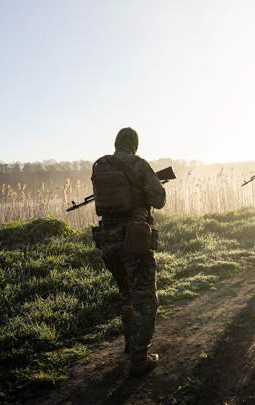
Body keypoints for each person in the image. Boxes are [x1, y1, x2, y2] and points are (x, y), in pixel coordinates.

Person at [90, 127, 166, 376]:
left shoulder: (99, 165)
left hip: (107, 241)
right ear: (135, 145)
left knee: (126, 293)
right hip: (134, 241)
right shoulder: (139, 164)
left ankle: (129, 345)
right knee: (145, 300)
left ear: (115, 143)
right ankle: (139, 359)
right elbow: (159, 200)